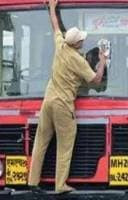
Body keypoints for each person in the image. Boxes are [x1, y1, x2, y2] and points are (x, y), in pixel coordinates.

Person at [28, 0, 107, 194]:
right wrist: (103, 60)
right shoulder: (78, 60)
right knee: (65, 144)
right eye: (81, 39)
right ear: (78, 43)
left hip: (48, 101)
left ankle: (32, 181)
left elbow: (55, 25)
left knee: (40, 141)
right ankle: (60, 184)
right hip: (63, 105)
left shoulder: (60, 45)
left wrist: (53, 8)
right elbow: (96, 81)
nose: (83, 41)